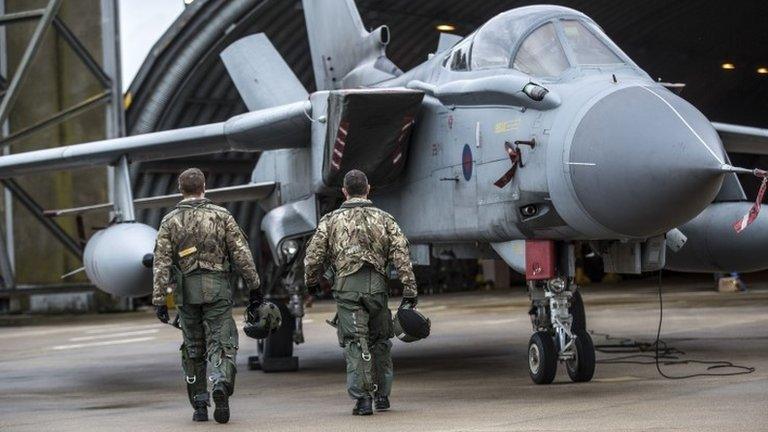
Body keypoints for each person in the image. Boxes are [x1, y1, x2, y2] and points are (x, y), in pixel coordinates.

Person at [152, 168, 262, 423]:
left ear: (181, 189)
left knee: (193, 347)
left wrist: (159, 300)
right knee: (222, 341)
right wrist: (255, 286)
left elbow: (161, 263)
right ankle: (221, 382)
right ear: (205, 187)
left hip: (185, 293)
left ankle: (200, 405)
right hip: (217, 289)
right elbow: (241, 254)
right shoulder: (222, 216)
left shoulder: (170, 221)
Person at [304, 169, 418, 416]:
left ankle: (363, 398)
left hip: (347, 289)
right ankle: (383, 396)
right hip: (377, 288)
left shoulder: (330, 220)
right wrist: (410, 290)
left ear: (344, 191)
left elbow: (313, 256)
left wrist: (311, 282)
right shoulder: (386, 219)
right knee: (381, 340)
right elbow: (402, 255)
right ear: (368, 189)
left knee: (356, 342)